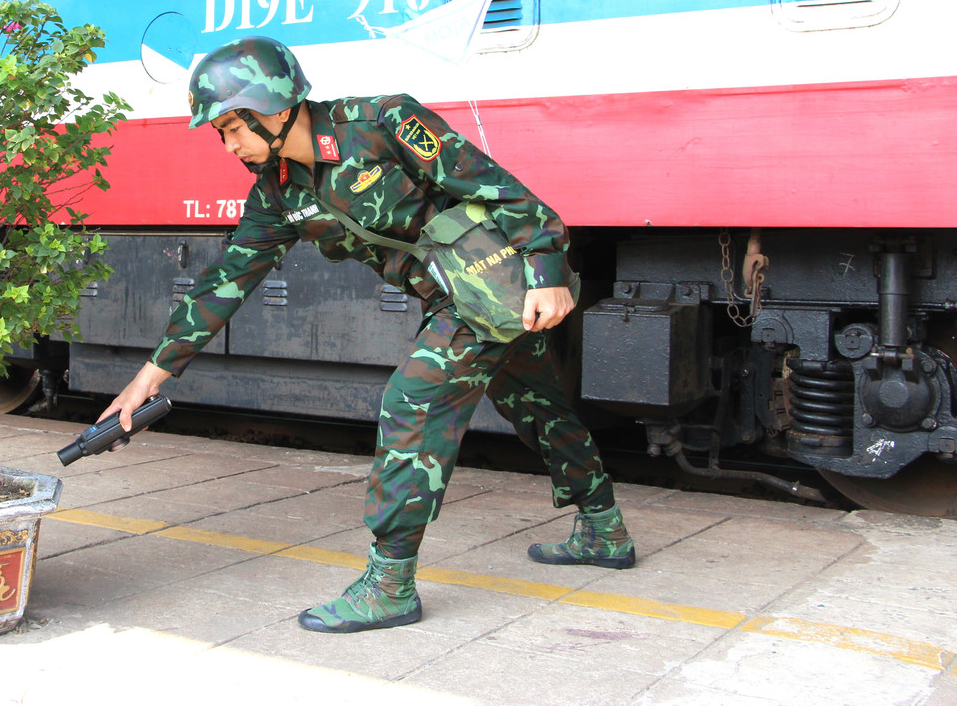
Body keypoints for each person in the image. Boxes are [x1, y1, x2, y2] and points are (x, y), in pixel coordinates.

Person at [101, 36, 634, 634]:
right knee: (537, 405)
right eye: (221, 133)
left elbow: (495, 188)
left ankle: (389, 586)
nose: (229, 145)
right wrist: (149, 376)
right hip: (455, 299)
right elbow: (225, 283)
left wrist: (548, 270)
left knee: (412, 406)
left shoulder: (383, 123)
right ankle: (603, 529)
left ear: (275, 108)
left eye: (232, 128)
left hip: (496, 285)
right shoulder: (278, 195)